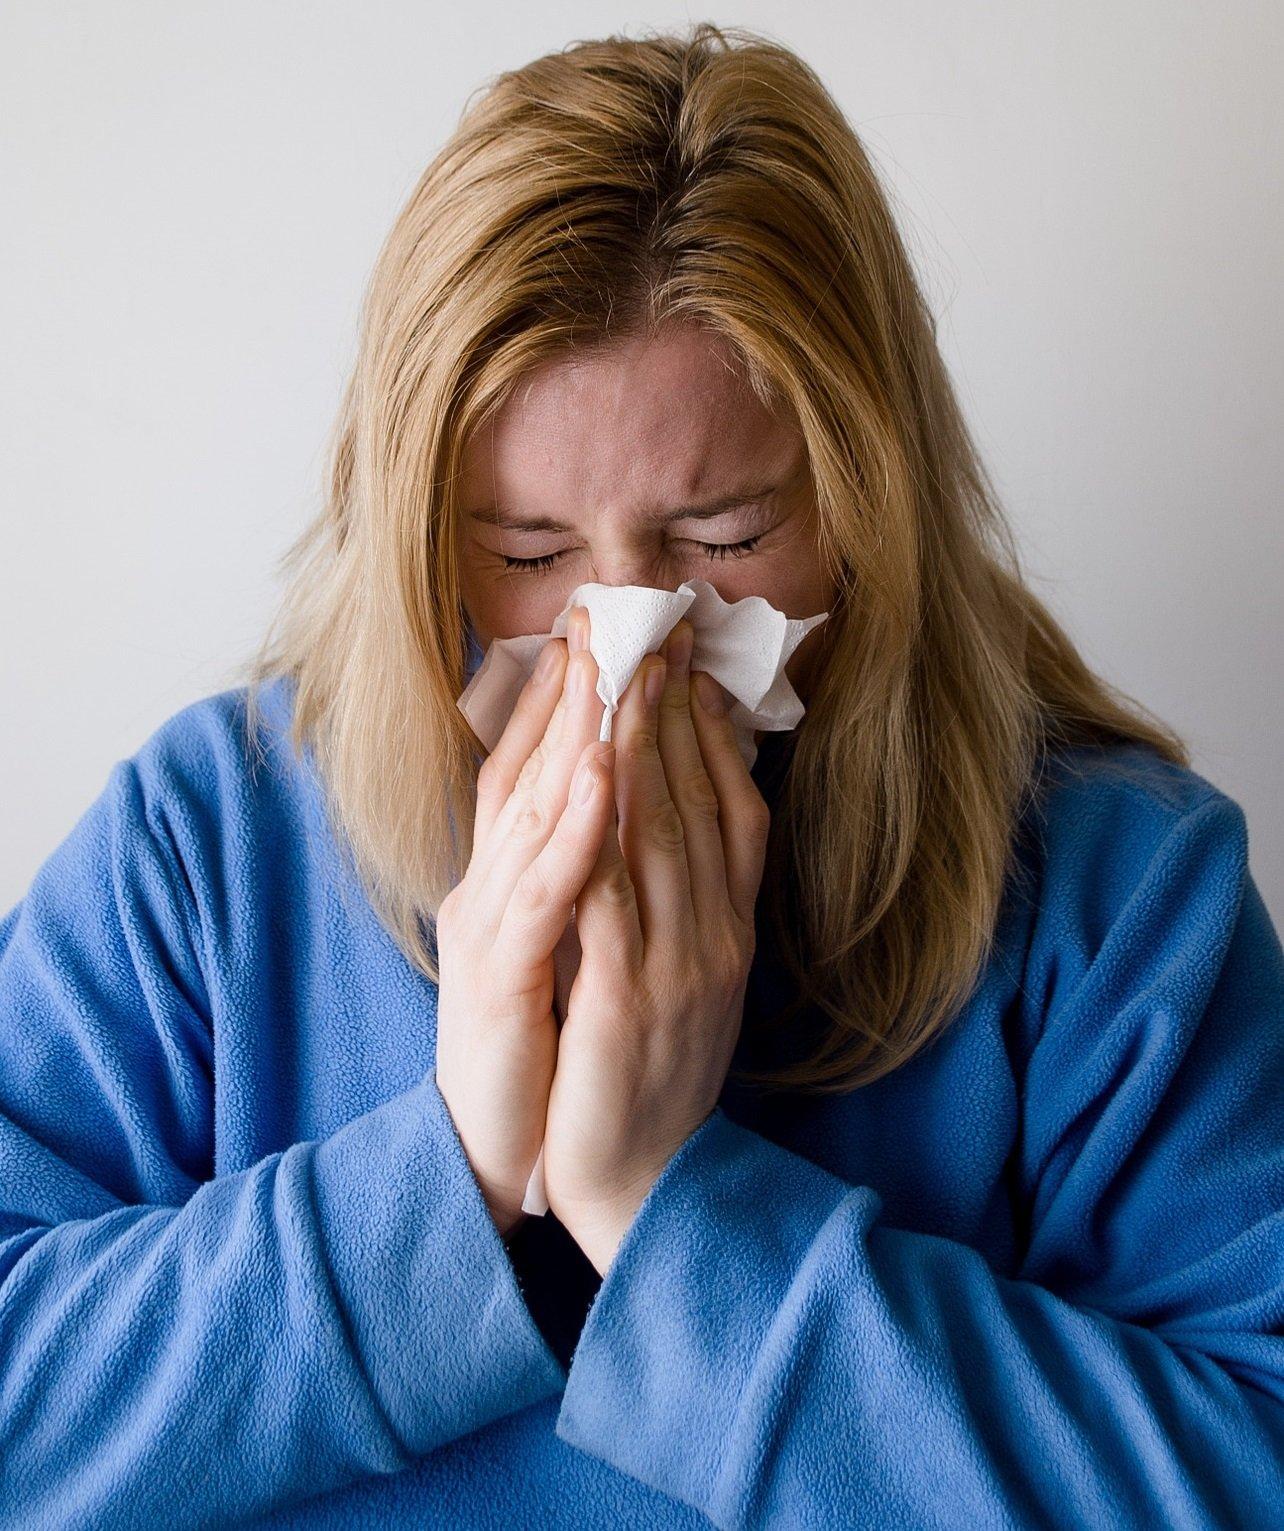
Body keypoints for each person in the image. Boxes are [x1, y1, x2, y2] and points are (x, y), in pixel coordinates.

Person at [1, 21, 1281, 1530]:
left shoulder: (1116, 892)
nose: (627, 646)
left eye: (727, 539)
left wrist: (665, 1204)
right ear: (414, 534)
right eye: (528, 553)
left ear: (870, 506)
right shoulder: (204, 846)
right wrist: (456, 1171)